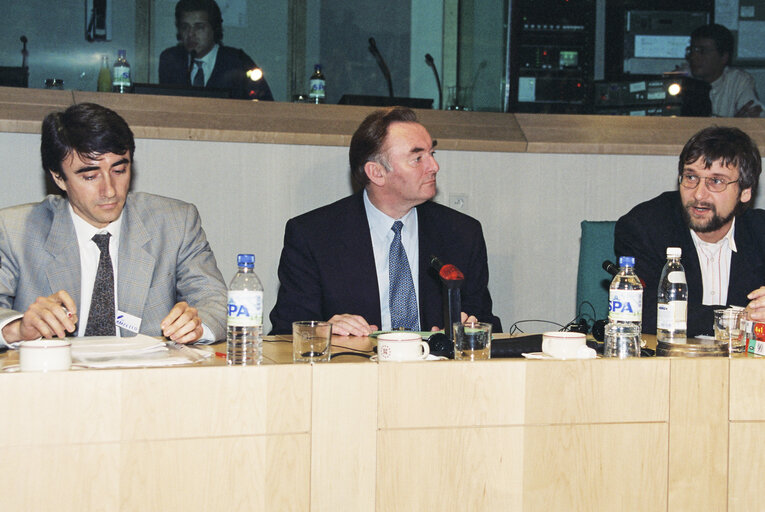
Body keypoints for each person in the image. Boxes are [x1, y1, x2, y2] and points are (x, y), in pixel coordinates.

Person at [0, 102, 227, 346]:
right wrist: (17, 328)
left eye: (119, 170)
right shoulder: (14, 230)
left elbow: (218, 303)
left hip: (147, 378)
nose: (109, 190)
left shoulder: (175, 222)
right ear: (58, 177)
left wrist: (196, 325)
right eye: (90, 176)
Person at [269, 106, 502, 336]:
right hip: (355, 370)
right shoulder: (313, 236)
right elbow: (284, 332)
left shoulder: (462, 233)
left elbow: (486, 321)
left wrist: (471, 328)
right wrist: (323, 330)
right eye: (417, 158)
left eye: (432, 154)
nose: (434, 166)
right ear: (376, 173)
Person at [614, 126, 765, 337]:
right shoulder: (644, 227)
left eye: (716, 181)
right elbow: (642, 312)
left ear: (745, 192)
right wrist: (739, 319)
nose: (699, 194)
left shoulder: (760, 233)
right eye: (691, 177)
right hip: (669, 365)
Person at [159, 0, 273, 101]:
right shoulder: (171, 60)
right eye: (185, 27)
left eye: (199, 27)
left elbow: (264, 106)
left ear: (214, 28)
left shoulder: (238, 61)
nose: (190, 34)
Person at [686, 23, 763, 118]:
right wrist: (733, 124)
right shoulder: (681, 78)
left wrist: (745, 121)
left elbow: (754, 116)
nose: (693, 57)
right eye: (692, 50)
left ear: (724, 57)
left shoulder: (738, 81)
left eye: (702, 51)